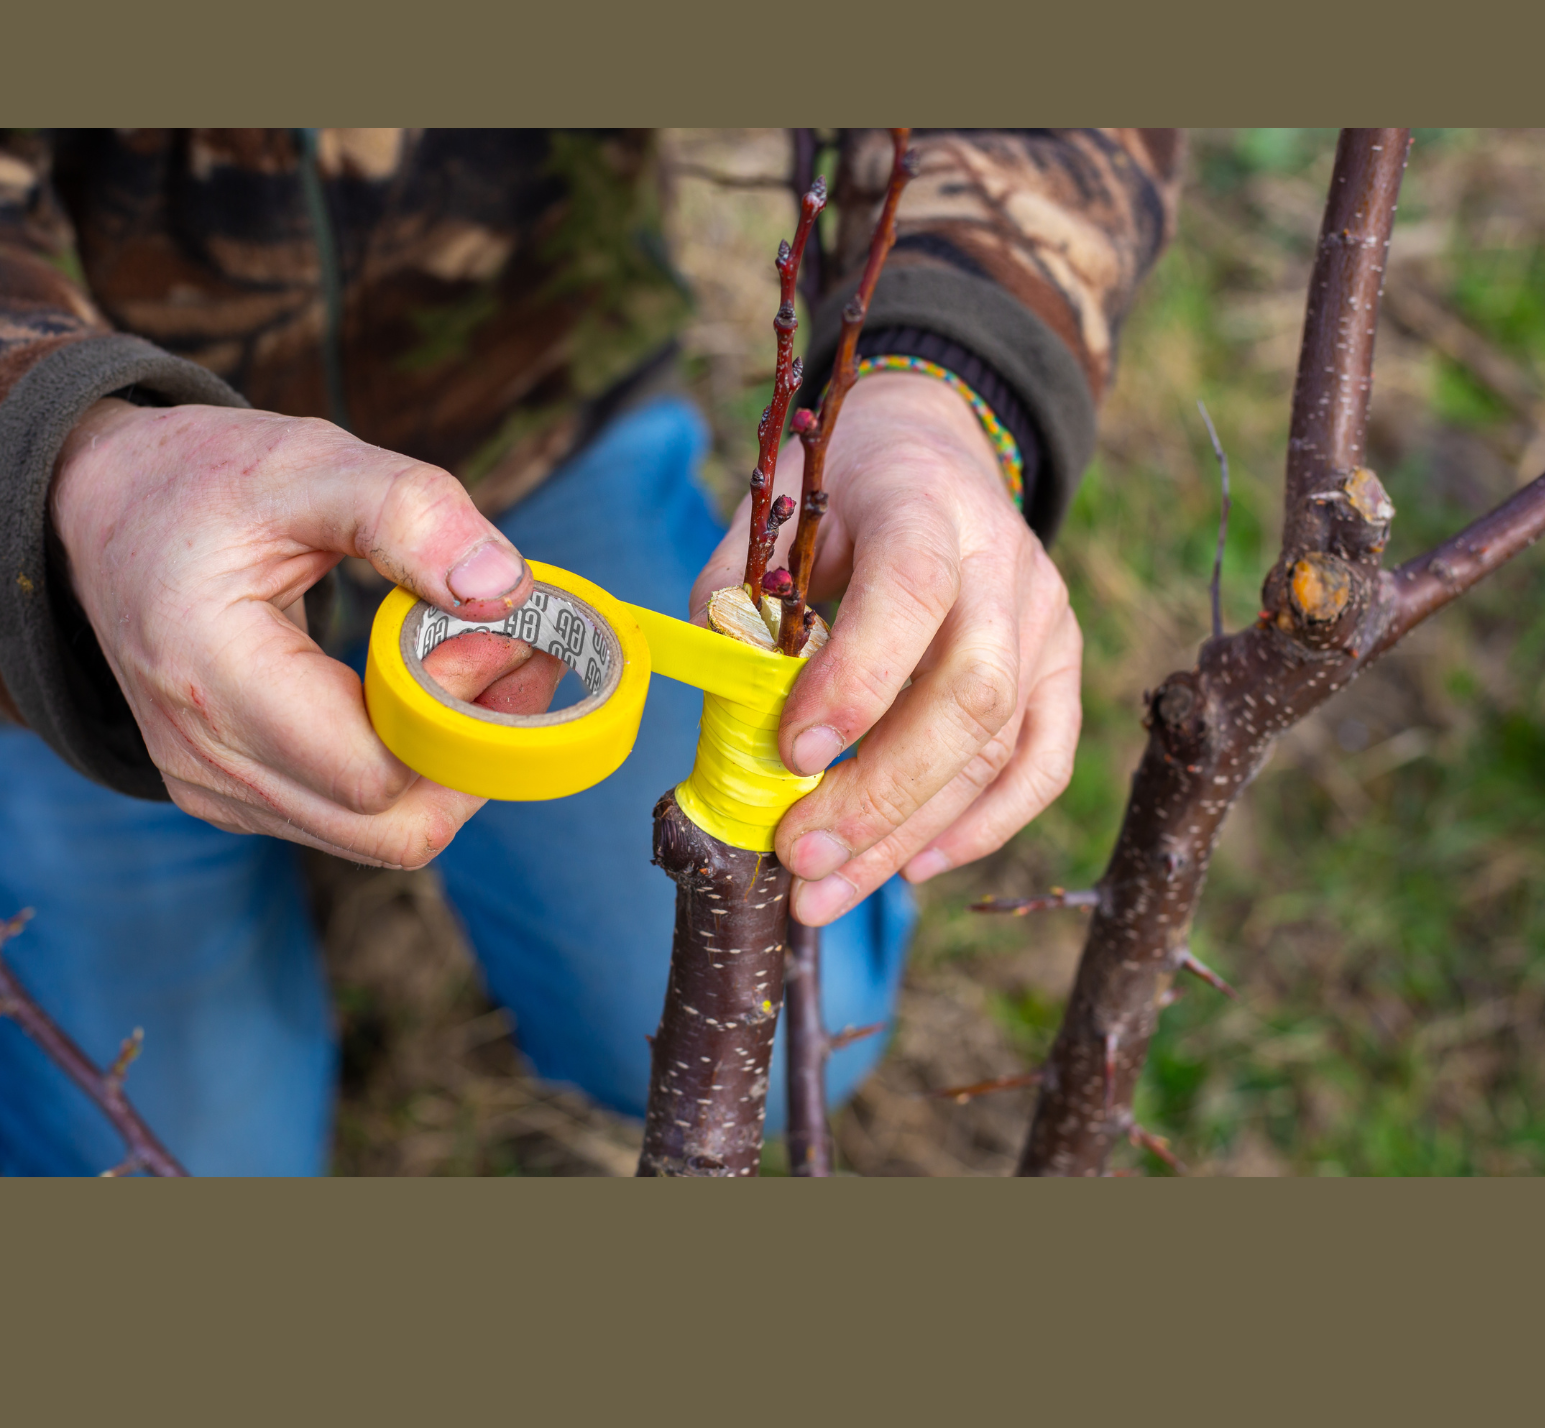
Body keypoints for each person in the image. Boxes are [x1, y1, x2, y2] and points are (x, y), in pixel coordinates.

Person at [0, 129, 1181, 1174]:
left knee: (749, 1048)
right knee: (180, 1163)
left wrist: (949, 385)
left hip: (536, 414)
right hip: (81, 511)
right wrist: (60, 457)